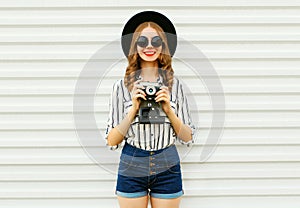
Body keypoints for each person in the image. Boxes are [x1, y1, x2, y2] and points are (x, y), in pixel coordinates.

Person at [105, 11, 195, 208]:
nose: (149, 47)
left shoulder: (176, 85)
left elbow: (188, 138)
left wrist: (169, 110)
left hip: (167, 163)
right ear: (134, 46)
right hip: (132, 162)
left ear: (163, 46)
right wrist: (133, 109)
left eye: (156, 41)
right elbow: (111, 140)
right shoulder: (121, 87)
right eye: (142, 41)